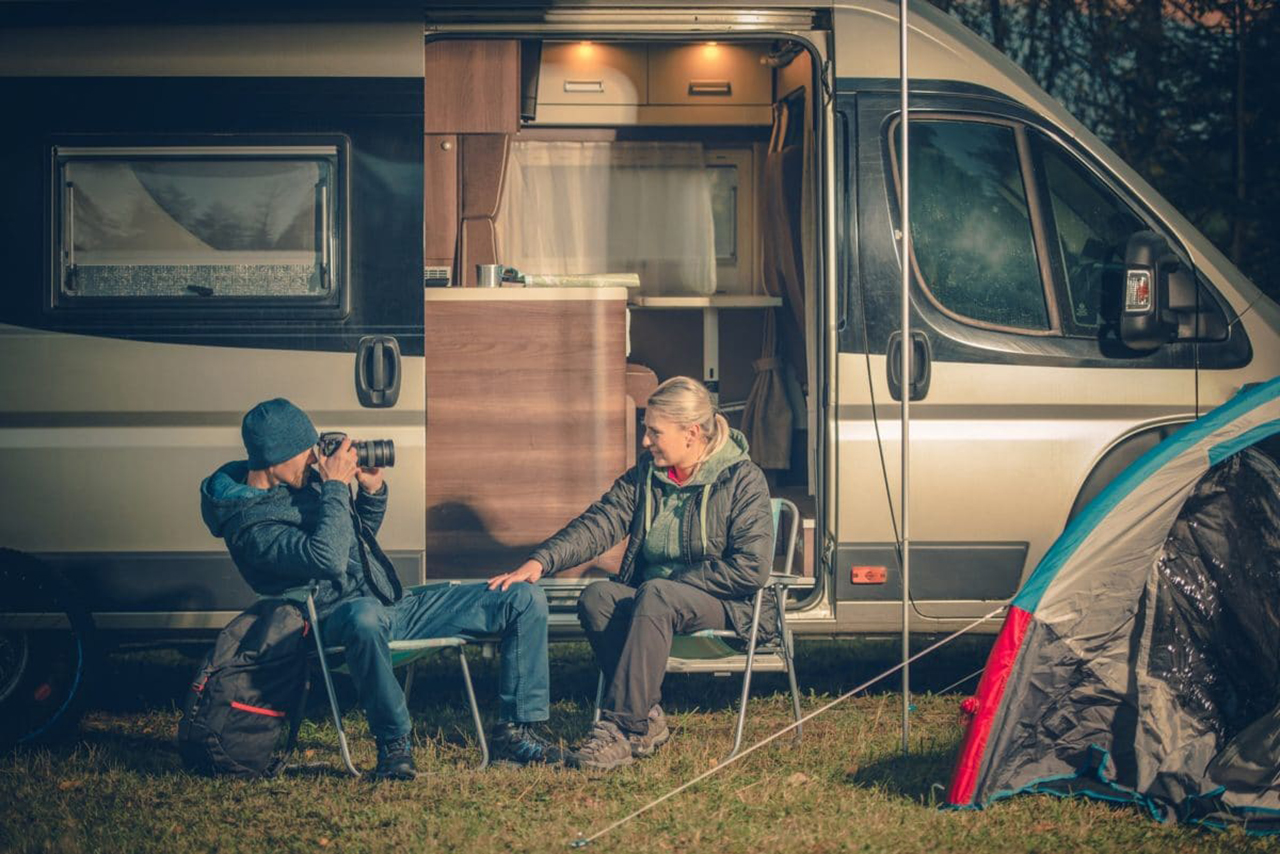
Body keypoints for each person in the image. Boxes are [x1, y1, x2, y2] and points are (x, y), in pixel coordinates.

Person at [200, 398, 559, 779]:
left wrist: (370, 492)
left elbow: (355, 542)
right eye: (306, 452)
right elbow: (327, 558)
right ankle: (394, 744)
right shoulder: (250, 525)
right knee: (363, 616)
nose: (313, 459)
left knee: (522, 597)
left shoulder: (304, 485)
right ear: (275, 458)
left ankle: (516, 733)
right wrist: (336, 486)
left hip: (392, 606)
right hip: (331, 622)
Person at [489, 376, 774, 771]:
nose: (645, 440)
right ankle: (647, 716)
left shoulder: (742, 479)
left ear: (691, 433)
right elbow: (600, 522)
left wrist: (671, 585)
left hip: (725, 605)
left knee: (655, 593)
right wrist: (540, 561)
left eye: (654, 431)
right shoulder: (647, 476)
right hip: (656, 602)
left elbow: (752, 568)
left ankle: (620, 730)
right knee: (597, 597)